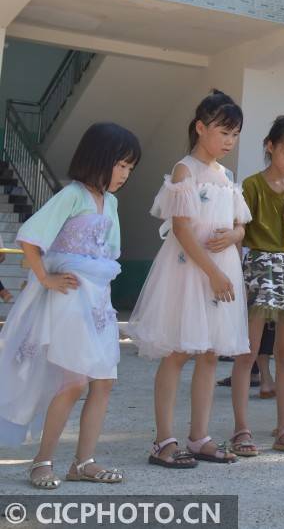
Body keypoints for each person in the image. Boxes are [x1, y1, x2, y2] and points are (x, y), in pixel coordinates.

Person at [0, 123, 139, 489]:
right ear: (99, 158)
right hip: (68, 300)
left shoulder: (111, 202)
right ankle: (41, 461)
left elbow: (109, 253)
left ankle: (84, 462)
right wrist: (46, 279)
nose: (125, 174)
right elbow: (30, 236)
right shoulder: (72, 195)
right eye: (121, 165)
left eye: (130, 168)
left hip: (98, 303)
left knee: (104, 381)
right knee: (74, 381)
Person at [127, 90, 250, 469]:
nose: (229, 141)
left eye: (234, 134)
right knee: (179, 352)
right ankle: (164, 440)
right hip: (189, 272)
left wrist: (233, 237)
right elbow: (181, 229)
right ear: (200, 128)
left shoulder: (227, 176)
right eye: (223, 132)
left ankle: (200, 437)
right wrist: (212, 272)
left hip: (220, 274)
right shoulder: (185, 170)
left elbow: (240, 226)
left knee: (211, 354)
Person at [231, 116, 284, 456]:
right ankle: (241, 429)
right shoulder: (251, 186)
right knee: (247, 354)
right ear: (270, 146)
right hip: (258, 267)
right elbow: (240, 233)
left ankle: (283, 429)